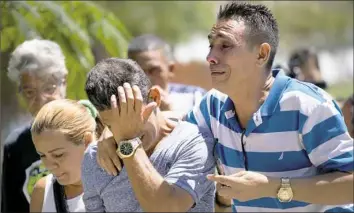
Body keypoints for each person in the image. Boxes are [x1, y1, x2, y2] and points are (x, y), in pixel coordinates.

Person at [184, 2, 353, 212]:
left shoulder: (309, 107)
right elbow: (174, 139)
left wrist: (271, 187)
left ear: (262, 54)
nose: (210, 57)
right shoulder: (211, 106)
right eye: (211, 46)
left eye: (224, 46)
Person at [82, 58, 216, 212]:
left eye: (132, 117)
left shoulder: (195, 142)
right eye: (112, 126)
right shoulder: (95, 157)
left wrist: (129, 143)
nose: (123, 131)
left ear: (154, 97)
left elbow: (166, 208)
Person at [2, 39, 68, 213]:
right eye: (30, 92)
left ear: (64, 82)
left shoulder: (91, 129)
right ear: (20, 91)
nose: (40, 100)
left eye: (49, 88)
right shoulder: (16, 145)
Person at [29, 99, 104, 212]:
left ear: (87, 141)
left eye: (58, 155)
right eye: (42, 155)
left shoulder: (118, 183)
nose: (49, 166)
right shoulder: (42, 191)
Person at [127, 34, 206, 114]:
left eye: (153, 70)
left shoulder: (195, 98)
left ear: (170, 69)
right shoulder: (122, 102)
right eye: (138, 71)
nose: (146, 79)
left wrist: (170, 113)